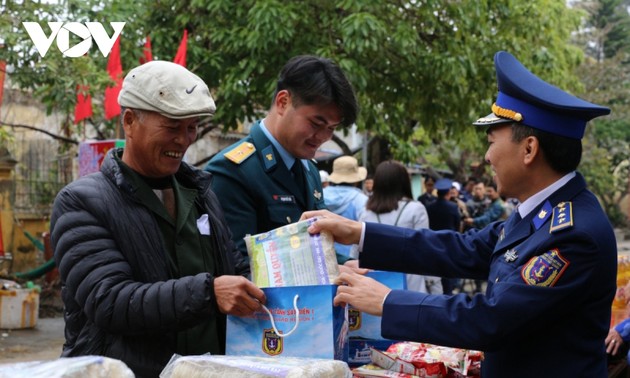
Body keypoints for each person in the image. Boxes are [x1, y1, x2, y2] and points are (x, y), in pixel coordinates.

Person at [301, 51, 616, 377]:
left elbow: (493, 319)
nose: (487, 156)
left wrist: (388, 301)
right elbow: (461, 249)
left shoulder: (573, 234)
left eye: (492, 142)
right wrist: (359, 232)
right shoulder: (539, 214)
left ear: (529, 149)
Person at [50, 61, 266, 378]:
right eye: (172, 127)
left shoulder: (201, 194)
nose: (184, 139)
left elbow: (231, 264)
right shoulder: (82, 202)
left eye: (191, 127)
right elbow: (110, 302)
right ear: (129, 121)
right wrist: (210, 293)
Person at [205, 55, 359, 267]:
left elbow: (313, 247)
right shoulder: (232, 171)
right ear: (283, 102)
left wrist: (345, 265)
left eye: (332, 128)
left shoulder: (309, 169)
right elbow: (239, 267)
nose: (323, 137)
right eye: (316, 123)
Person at [360, 161, 441, 294]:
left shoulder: (366, 213)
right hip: (412, 287)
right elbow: (426, 251)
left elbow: (357, 254)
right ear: (404, 182)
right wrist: (435, 288)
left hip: (375, 288)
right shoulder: (416, 209)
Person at [323, 155, 368, 258]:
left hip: (324, 257)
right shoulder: (361, 200)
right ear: (356, 180)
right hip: (351, 261)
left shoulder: (320, 195)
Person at [425, 178, 461, 295]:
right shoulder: (453, 207)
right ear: (448, 193)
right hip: (449, 243)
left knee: (436, 272)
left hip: (433, 242)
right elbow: (457, 225)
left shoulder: (429, 206)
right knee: (448, 275)